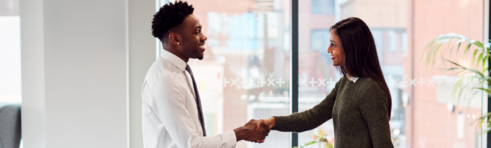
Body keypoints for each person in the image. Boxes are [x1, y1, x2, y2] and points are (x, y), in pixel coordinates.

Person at [142, 1, 269, 148]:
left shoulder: (179, 72)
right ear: (175, 39)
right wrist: (242, 133)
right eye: (196, 32)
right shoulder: (166, 80)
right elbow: (192, 145)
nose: (204, 37)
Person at [256, 17, 395, 148]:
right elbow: (313, 116)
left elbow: (383, 145)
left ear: (350, 48)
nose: (329, 50)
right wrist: (273, 122)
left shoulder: (370, 89)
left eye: (333, 45)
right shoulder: (344, 83)